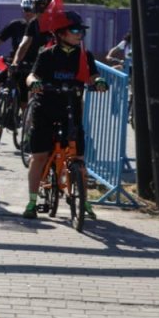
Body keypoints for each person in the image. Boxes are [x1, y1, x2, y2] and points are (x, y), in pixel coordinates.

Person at [22, 11, 108, 220]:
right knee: (39, 156)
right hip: (45, 109)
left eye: (81, 31)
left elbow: (93, 74)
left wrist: (98, 82)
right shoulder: (47, 54)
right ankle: (32, 201)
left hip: (71, 108)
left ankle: (83, 201)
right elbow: (32, 75)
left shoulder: (84, 55)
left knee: (78, 157)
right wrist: (34, 82)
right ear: (61, 34)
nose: (80, 35)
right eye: (76, 30)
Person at [0, 0, 37, 109]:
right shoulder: (16, 25)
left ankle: (24, 123)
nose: (29, 13)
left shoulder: (40, 28)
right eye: (26, 10)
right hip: (14, 65)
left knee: (24, 105)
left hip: (31, 67)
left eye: (32, 10)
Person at [10, 0, 55, 112]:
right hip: (35, 65)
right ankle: (29, 121)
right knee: (30, 93)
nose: (41, 15)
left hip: (55, 65)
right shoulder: (34, 23)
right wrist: (15, 62)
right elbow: (24, 45)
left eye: (45, 11)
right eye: (38, 11)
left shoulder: (59, 23)